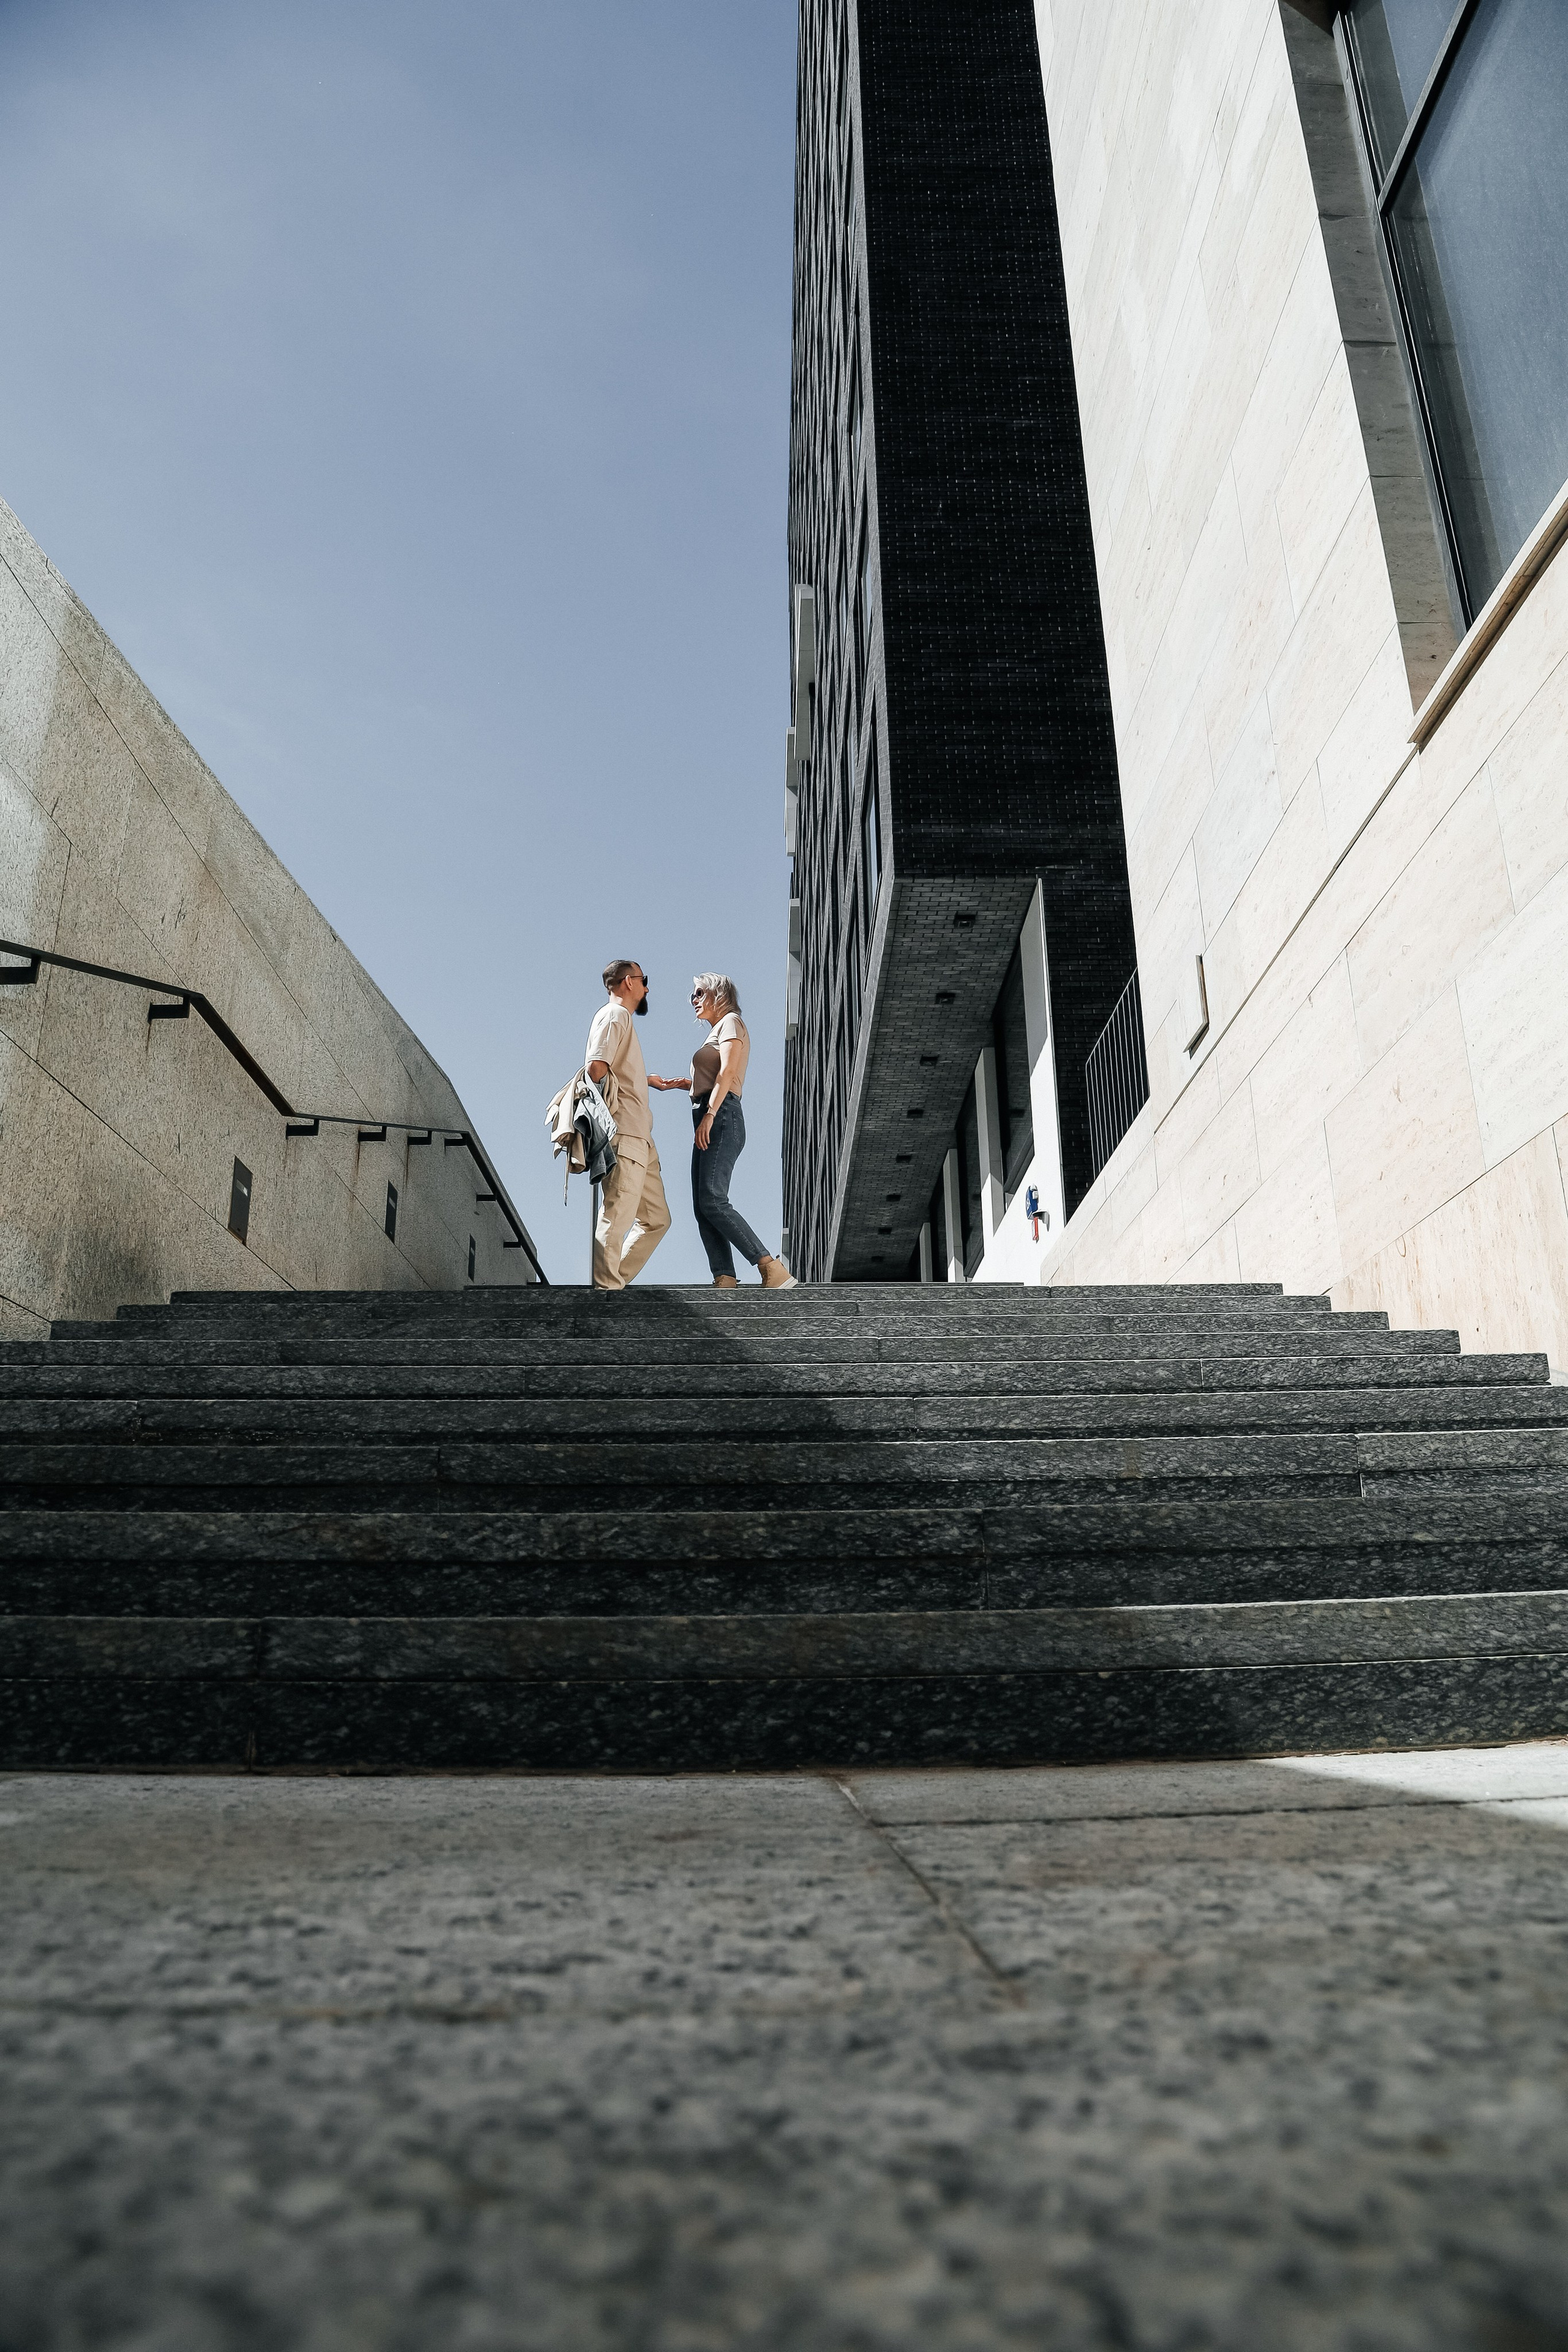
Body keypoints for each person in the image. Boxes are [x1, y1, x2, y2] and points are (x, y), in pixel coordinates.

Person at [649, 974, 796, 1290]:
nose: (694, 999)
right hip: (707, 1111)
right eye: (692, 994)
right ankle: (725, 1277)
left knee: (713, 1199)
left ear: (720, 994)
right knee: (702, 1204)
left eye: (700, 992)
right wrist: (682, 1085)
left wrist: (710, 1114)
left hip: (722, 1114)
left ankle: (771, 1268)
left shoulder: (731, 1021)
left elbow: (729, 1073)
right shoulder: (716, 1031)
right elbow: (714, 1076)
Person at [586, 957, 671, 1291]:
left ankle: (613, 1280)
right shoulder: (614, 1014)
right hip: (625, 1134)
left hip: (641, 1137)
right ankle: (606, 1292)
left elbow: (613, 1067)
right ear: (629, 982)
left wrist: (642, 1080)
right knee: (618, 1215)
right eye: (644, 979)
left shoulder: (622, 1020)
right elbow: (596, 1068)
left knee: (657, 1219)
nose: (647, 987)